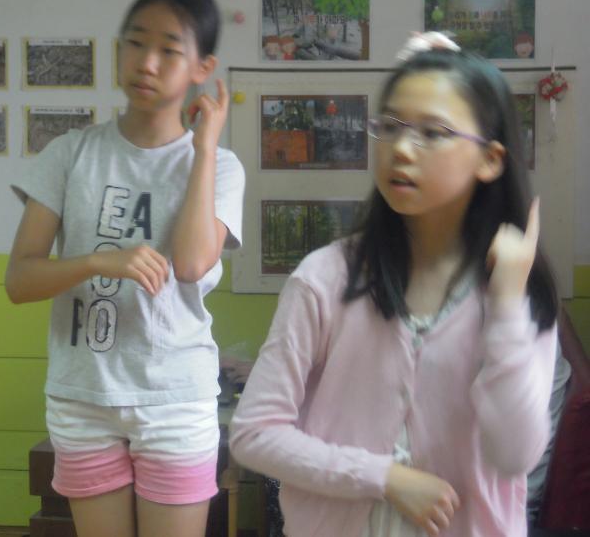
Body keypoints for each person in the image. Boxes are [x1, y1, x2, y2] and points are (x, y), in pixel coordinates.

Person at [230, 32, 558, 537]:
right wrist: (382, 477)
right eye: (390, 126)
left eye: (434, 132)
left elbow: (514, 454)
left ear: (490, 159)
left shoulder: (516, 291)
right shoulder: (326, 277)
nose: (402, 149)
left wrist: (507, 305)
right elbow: (253, 433)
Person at [6, 0, 245, 537]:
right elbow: (19, 280)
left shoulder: (221, 166)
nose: (147, 62)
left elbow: (191, 265)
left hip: (175, 399)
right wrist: (97, 262)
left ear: (202, 68)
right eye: (135, 43)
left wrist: (203, 147)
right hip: (83, 395)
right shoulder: (70, 153)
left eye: (169, 50)